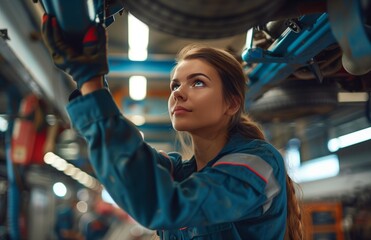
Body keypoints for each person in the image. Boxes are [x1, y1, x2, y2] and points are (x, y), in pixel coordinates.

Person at [41, 14, 303, 240]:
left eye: (197, 82)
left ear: (232, 103)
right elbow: (127, 159)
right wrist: (88, 83)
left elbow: (167, 205)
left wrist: (90, 79)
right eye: (175, 85)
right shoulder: (178, 170)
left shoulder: (258, 162)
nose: (178, 93)